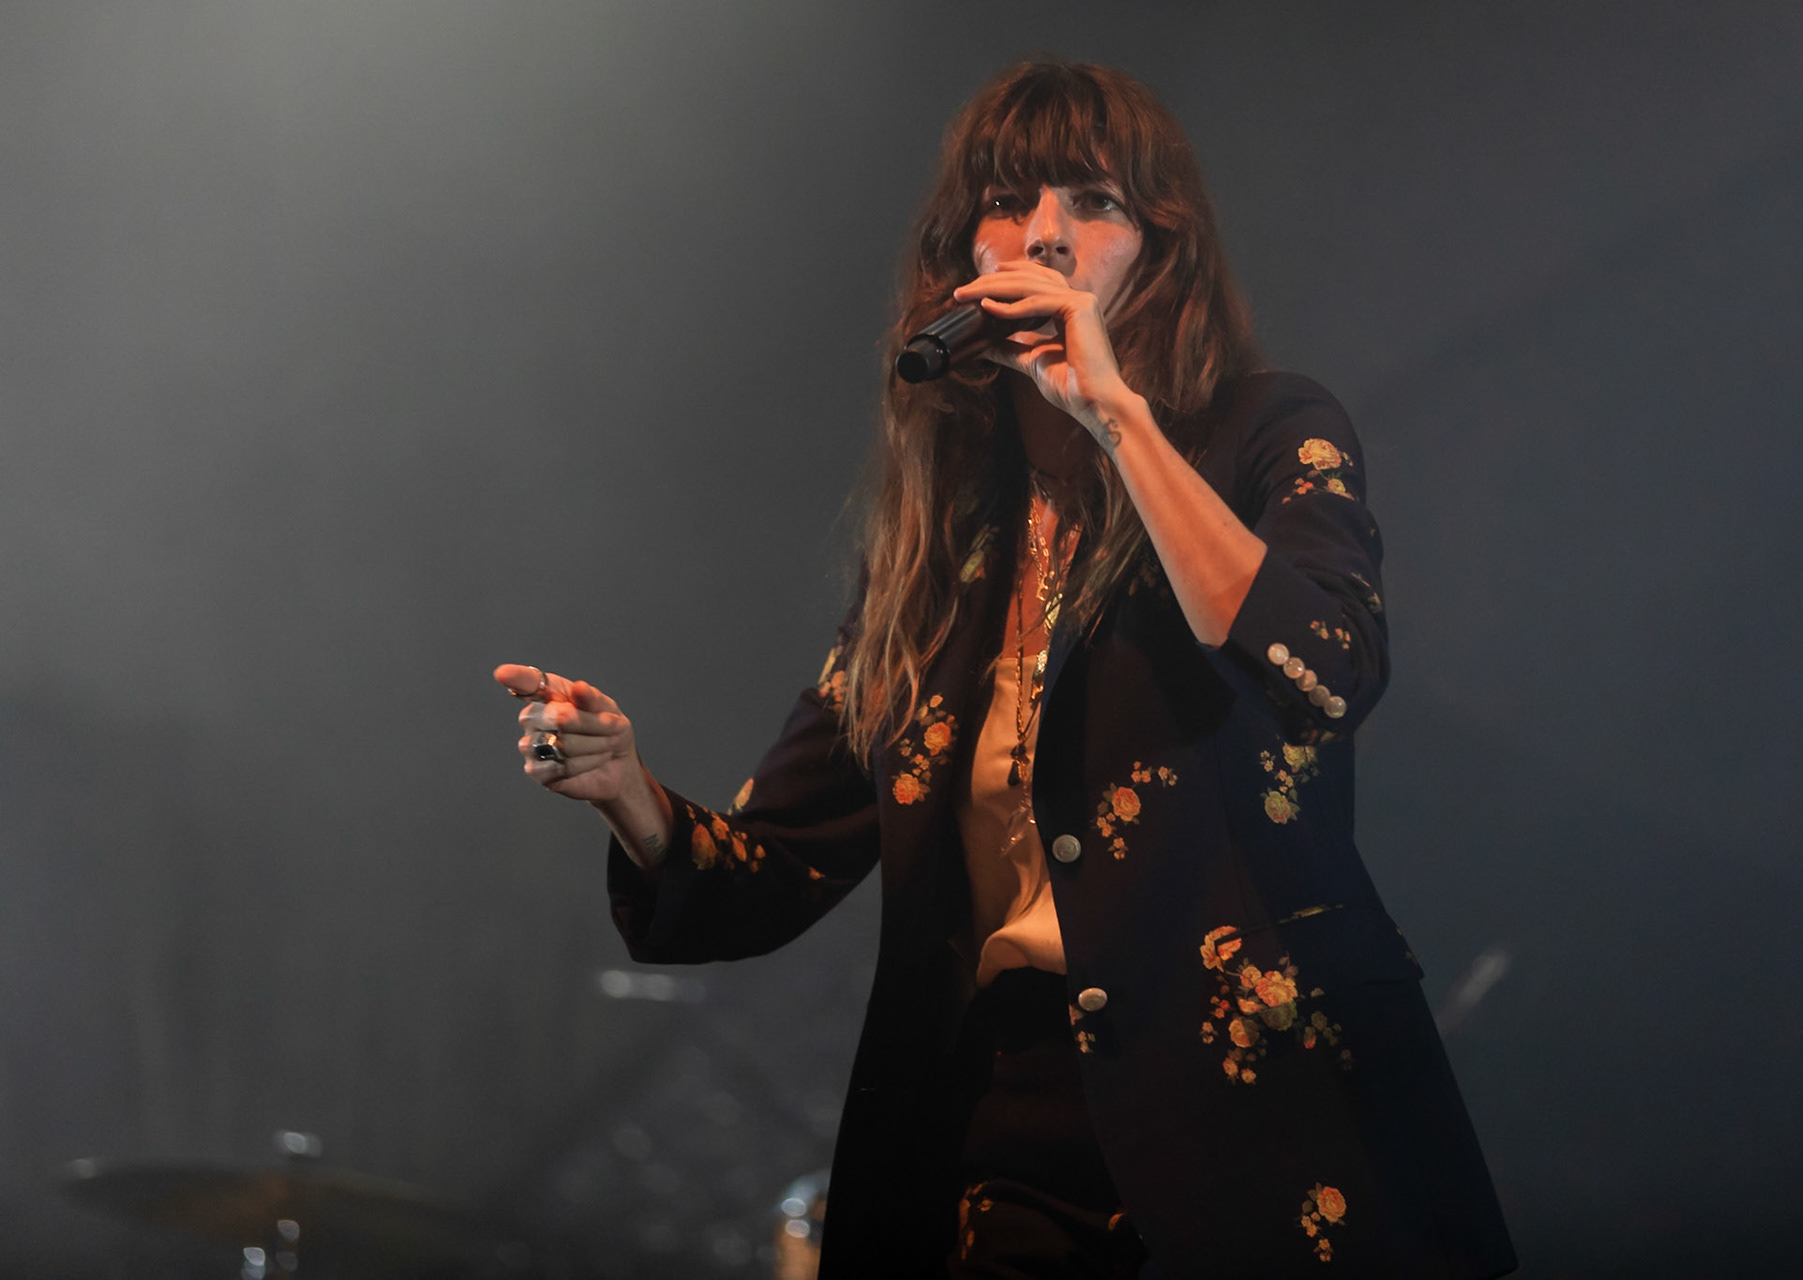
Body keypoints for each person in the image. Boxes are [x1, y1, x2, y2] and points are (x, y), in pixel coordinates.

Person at [494, 59, 1515, 1279]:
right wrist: (626, 787)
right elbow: (763, 873)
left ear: (1160, 247)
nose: (1043, 232)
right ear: (962, 256)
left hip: (1261, 1115)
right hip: (1002, 1131)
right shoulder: (941, 556)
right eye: (1009, 199)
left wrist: (1116, 416)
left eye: (1093, 200)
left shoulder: (1269, 433)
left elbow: (1330, 667)